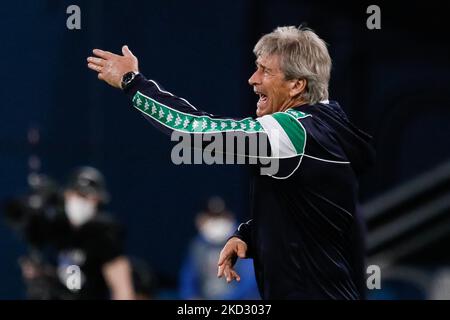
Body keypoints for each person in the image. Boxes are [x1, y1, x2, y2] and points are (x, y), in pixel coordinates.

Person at [87, 26, 375, 299]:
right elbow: (306, 210)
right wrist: (250, 233)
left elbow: (196, 131)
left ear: (297, 85)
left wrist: (133, 83)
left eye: (265, 71)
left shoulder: (295, 130)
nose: (253, 79)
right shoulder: (324, 128)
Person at [7, 167, 136, 299]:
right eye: (81, 195)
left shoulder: (104, 236)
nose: (86, 202)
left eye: (93, 199)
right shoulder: (54, 227)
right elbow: (15, 215)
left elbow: (123, 290)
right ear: (68, 194)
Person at [179, 197, 259, 300]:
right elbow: (188, 279)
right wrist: (190, 297)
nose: (216, 222)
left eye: (221, 216)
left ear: (230, 217)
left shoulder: (243, 241)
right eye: (211, 216)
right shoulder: (198, 245)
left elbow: (250, 282)